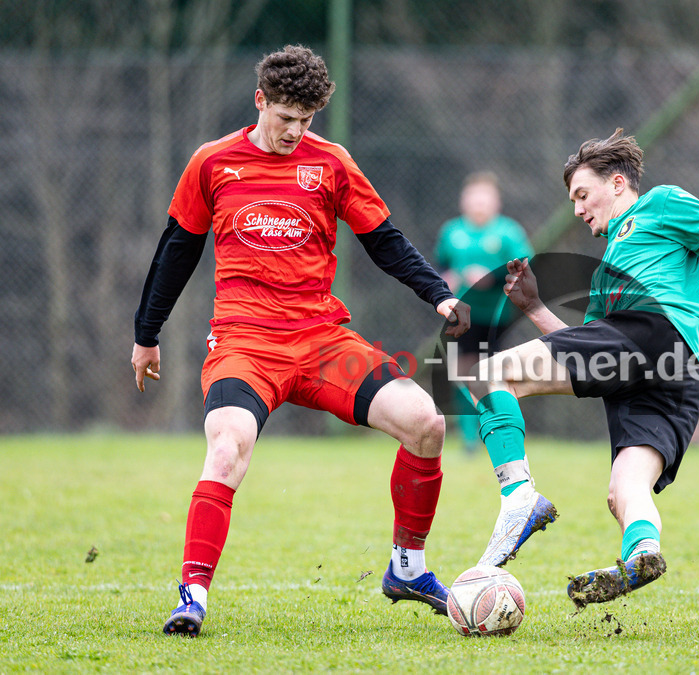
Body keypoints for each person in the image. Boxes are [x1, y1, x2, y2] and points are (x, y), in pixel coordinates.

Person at [130, 45, 469, 636]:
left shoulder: (331, 163)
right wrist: (146, 334)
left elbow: (382, 239)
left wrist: (437, 292)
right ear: (260, 102)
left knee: (426, 422)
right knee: (229, 443)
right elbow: (176, 250)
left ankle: (408, 569)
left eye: (307, 121)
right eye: (286, 118)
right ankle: (193, 595)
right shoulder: (212, 163)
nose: (296, 131)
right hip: (243, 341)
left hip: (320, 339)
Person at [463, 129, 699, 609]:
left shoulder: (660, 204)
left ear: (618, 183)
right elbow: (589, 355)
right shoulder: (606, 274)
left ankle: (518, 497)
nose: (578, 210)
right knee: (624, 490)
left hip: (653, 334)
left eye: (583, 194)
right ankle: (642, 551)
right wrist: (535, 307)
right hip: (675, 371)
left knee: (489, 374)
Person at [435, 172, 533, 453]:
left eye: (484, 198)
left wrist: (494, 276)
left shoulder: (507, 232)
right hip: (462, 314)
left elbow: (525, 264)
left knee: (492, 373)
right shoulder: (452, 231)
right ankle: (470, 437)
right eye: (473, 198)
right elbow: (441, 264)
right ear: (463, 201)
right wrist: (448, 277)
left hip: (498, 317)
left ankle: (495, 427)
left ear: (496, 202)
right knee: (462, 371)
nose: (478, 203)